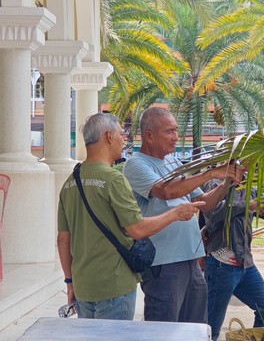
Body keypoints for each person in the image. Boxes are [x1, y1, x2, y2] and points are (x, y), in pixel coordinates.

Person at [57, 113, 205, 320]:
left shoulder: (70, 183)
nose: (123, 139)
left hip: (84, 284)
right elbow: (137, 229)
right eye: (120, 133)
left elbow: (63, 239)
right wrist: (176, 213)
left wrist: (69, 281)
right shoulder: (113, 179)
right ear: (109, 136)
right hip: (114, 283)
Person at [123, 107, 243, 323]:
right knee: (163, 330)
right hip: (163, 262)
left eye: (176, 130)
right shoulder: (135, 164)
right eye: (169, 131)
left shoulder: (172, 162)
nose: (176, 137)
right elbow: (166, 191)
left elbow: (205, 203)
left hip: (191, 258)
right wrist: (210, 172)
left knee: (194, 327)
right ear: (149, 136)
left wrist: (226, 181)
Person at [200, 178, 264, 341]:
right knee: (211, 327)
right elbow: (213, 212)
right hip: (221, 265)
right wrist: (247, 205)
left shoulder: (251, 189)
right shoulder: (216, 185)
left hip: (246, 265)